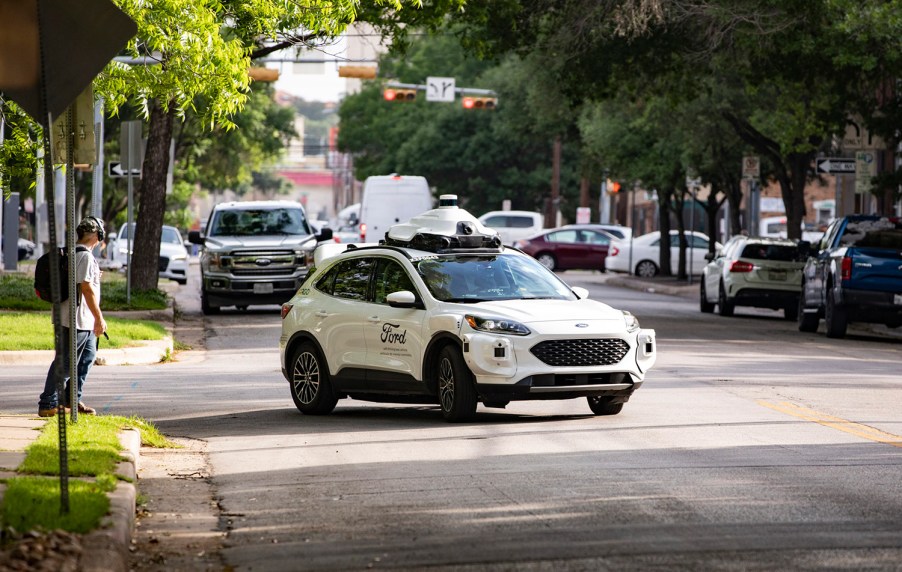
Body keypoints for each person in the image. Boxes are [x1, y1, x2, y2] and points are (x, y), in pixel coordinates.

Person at [38, 216, 108, 417]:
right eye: (101, 234)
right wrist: (99, 318)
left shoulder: (76, 254)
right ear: (97, 235)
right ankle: (47, 403)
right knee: (67, 362)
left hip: (81, 319)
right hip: (75, 319)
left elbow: (83, 281)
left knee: (86, 359)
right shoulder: (83, 256)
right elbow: (86, 289)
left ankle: (71, 399)